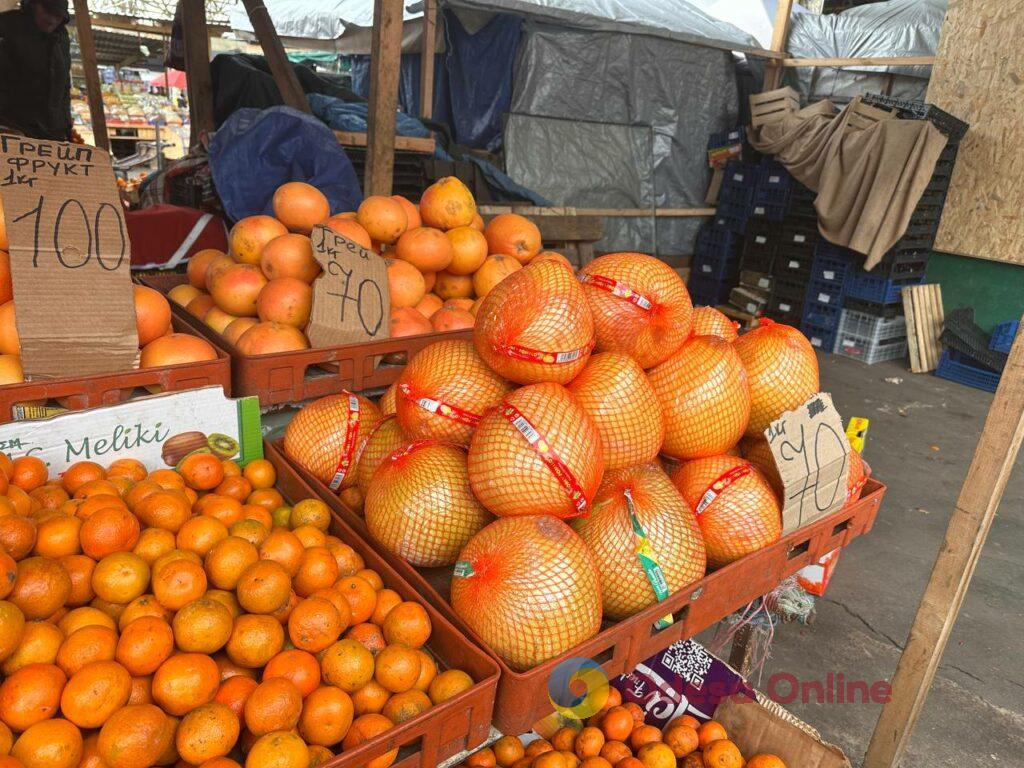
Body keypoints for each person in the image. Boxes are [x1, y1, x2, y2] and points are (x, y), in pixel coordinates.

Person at [0, 0, 73, 141]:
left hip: (51, 133)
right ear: (33, 5)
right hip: (11, 128)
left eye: (58, 15)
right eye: (48, 12)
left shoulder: (62, 37)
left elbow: (64, 85)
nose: (52, 19)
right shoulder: (7, 25)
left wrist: (65, 126)